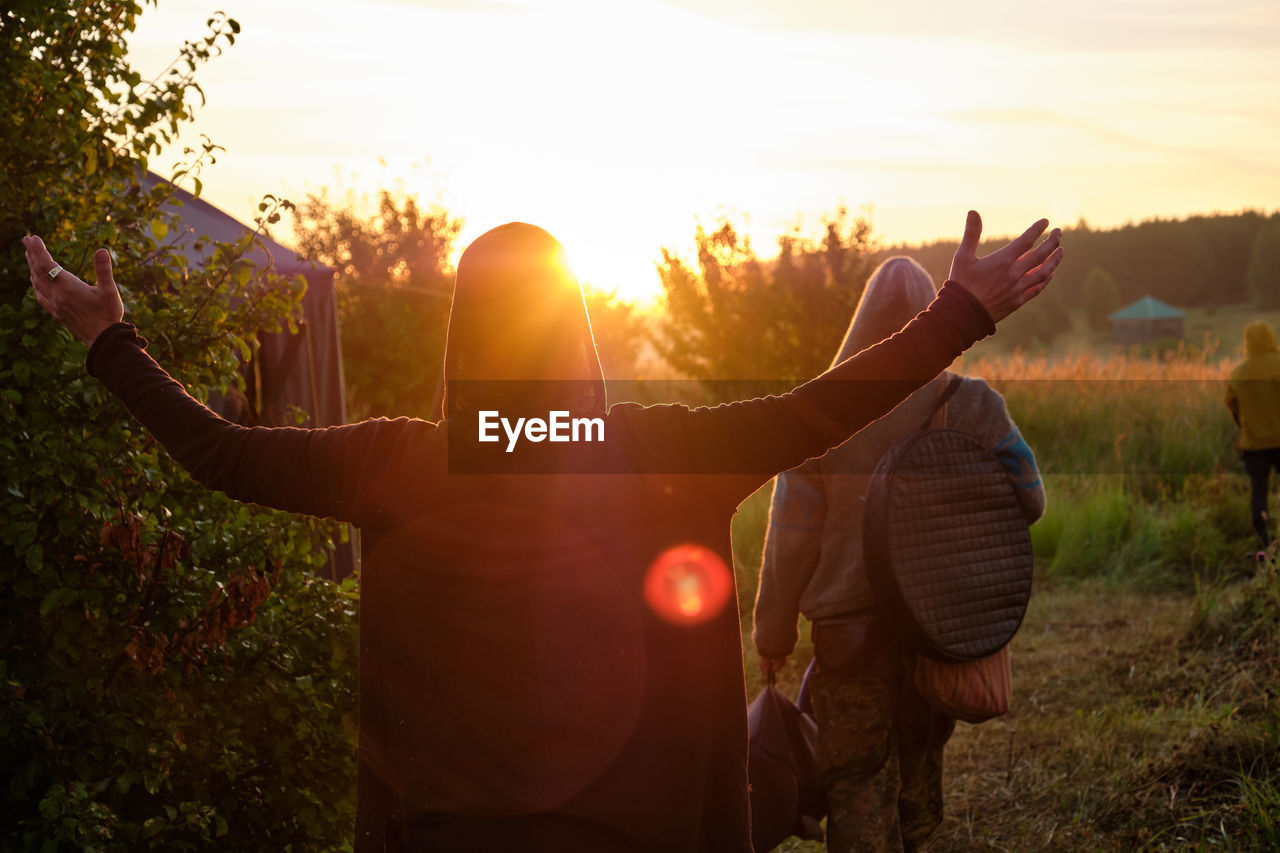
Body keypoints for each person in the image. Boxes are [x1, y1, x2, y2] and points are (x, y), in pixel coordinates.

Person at [24, 211, 1061, 852]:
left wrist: (108, 338)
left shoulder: (394, 463)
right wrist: (957, 313)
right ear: (574, 327)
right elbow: (818, 409)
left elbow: (219, 451)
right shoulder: (655, 453)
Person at [752, 256, 1046, 853]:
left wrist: (772, 632)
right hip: (937, 634)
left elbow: (790, 539)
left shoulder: (818, 417)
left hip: (847, 639)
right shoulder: (975, 405)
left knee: (858, 778)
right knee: (918, 766)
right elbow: (1031, 499)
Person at [1226, 320, 1280, 561]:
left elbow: (1233, 406)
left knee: (1258, 495)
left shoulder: (1238, 373)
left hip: (1254, 445)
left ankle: (1265, 547)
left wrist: (1245, 428)